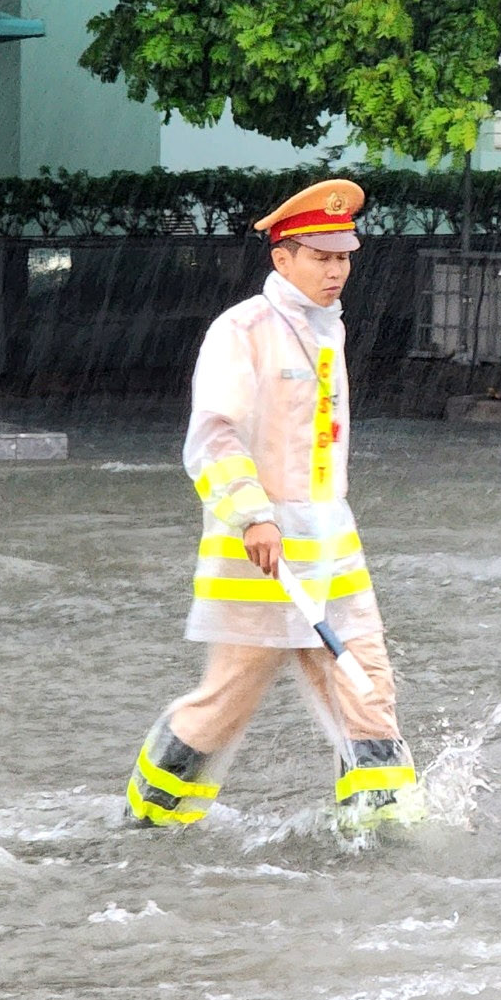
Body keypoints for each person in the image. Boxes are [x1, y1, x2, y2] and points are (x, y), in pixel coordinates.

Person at [122, 178, 423, 832]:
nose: (337, 269)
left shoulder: (327, 329)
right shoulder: (243, 331)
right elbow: (213, 434)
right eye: (321, 256)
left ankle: (383, 824)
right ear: (282, 257)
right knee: (226, 701)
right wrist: (253, 512)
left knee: (367, 678)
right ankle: (148, 817)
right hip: (257, 549)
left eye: (344, 256)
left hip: (331, 545)